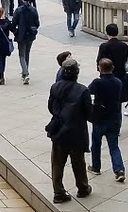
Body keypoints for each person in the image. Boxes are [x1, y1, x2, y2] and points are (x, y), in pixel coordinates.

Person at [46, 57, 93, 203]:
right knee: (78, 161)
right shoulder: (83, 90)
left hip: (59, 129)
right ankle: (82, 187)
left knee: (57, 162)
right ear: (76, 73)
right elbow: (88, 113)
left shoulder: (55, 87)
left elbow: (50, 107)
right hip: (76, 131)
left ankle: (58, 191)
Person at [88, 58, 125, 183]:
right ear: (112, 68)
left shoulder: (97, 83)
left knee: (96, 143)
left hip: (100, 117)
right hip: (114, 117)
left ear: (100, 68)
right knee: (114, 145)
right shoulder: (118, 82)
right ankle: (119, 169)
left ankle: (96, 166)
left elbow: (88, 92)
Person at [96, 23, 128, 109]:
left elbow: (99, 60)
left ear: (107, 32)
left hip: (106, 74)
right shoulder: (124, 46)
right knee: (118, 101)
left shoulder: (104, 46)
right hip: (120, 74)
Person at [11, 0, 41, 85]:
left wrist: (15, 31)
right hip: (30, 34)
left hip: (21, 34)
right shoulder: (33, 10)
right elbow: (37, 23)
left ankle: (25, 72)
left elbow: (13, 23)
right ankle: (25, 71)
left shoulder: (18, 10)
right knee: (27, 53)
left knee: (22, 55)